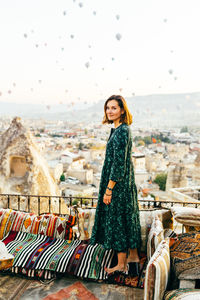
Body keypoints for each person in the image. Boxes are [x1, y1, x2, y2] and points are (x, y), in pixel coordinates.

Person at [90, 95, 141, 275]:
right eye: (107, 108)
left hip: (117, 184)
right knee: (128, 218)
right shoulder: (121, 130)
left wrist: (109, 189)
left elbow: (118, 163)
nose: (109, 111)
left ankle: (120, 265)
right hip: (125, 181)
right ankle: (133, 261)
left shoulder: (121, 131)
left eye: (113, 108)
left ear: (122, 110)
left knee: (118, 221)